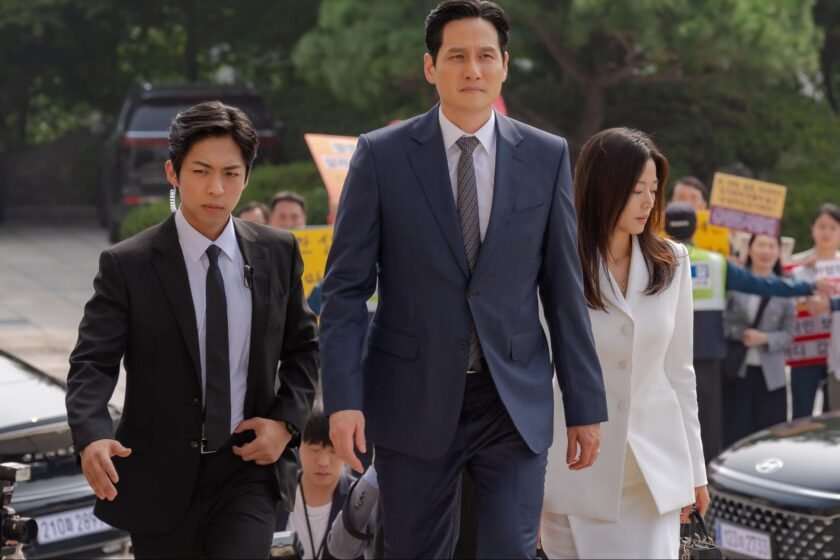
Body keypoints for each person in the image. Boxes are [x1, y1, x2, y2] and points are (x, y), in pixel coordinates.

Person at [319, 1, 607, 557]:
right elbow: (346, 291)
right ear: (431, 67)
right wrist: (343, 399)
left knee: (510, 549)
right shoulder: (381, 155)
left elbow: (564, 289)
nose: (472, 69)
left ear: (504, 65)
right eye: (456, 56)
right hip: (411, 396)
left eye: (485, 56)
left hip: (512, 398)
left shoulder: (546, 156)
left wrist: (585, 404)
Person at [65, 101, 319, 559]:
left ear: (247, 177)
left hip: (247, 470)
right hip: (158, 476)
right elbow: (92, 362)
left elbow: (304, 348)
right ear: (173, 172)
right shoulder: (129, 264)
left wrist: (286, 424)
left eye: (231, 173)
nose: (216, 188)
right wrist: (92, 435)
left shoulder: (277, 252)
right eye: (201, 171)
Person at [541, 128, 707, 559]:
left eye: (653, 189)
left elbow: (680, 373)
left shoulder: (672, 261)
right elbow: (540, 369)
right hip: (576, 467)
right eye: (636, 190)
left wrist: (696, 470)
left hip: (653, 472)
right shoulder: (557, 260)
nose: (649, 202)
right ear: (602, 188)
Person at [664, 202, 826, 461]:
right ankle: (706, 480)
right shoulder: (715, 263)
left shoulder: (649, 260)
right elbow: (765, 285)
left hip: (661, 355)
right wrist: (808, 287)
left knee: (664, 424)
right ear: (695, 228)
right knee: (707, 427)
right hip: (706, 357)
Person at [722, 234, 795, 445]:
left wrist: (765, 338)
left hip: (772, 376)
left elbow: (789, 333)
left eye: (771, 246)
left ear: (778, 252)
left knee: (771, 436)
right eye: (761, 245)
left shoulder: (786, 287)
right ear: (750, 248)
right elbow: (722, 321)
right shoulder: (735, 283)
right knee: (736, 433)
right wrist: (740, 334)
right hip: (737, 369)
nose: (766, 251)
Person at [277, 403, 358, 560]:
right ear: (298, 445)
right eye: (314, 450)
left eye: (333, 451)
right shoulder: (277, 492)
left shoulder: (358, 499)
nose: (323, 462)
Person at [788, 203, 840, 417]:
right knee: (801, 415)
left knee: (832, 417)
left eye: (833, 227)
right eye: (822, 226)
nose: (826, 232)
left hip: (836, 355)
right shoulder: (796, 265)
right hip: (805, 351)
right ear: (812, 229)